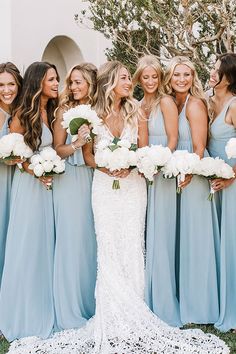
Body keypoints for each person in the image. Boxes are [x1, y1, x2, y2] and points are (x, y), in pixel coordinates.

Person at [7, 61, 228, 354]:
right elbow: (87, 157)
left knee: (132, 245)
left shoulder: (136, 110)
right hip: (103, 186)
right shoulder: (91, 115)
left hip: (133, 185)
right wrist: (107, 166)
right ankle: (110, 310)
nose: (130, 82)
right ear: (111, 81)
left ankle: (136, 305)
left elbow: (143, 147)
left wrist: (131, 164)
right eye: (125, 78)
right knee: (108, 247)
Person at [0, 62, 59, 341]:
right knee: (22, 246)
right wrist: (34, 169)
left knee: (41, 246)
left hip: (42, 187)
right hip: (26, 185)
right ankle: (17, 310)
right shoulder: (21, 115)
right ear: (39, 82)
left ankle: (43, 302)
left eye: (57, 78)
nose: (56, 83)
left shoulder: (47, 112)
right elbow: (18, 156)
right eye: (52, 79)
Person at [164, 56, 220, 325]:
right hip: (176, 175)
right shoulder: (170, 103)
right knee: (180, 238)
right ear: (170, 77)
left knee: (195, 240)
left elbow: (199, 146)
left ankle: (199, 305)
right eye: (177, 75)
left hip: (193, 175)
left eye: (186, 74)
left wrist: (188, 171)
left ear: (193, 77)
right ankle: (179, 296)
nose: (182, 79)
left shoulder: (195, 104)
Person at [133, 55, 181, 327]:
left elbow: (173, 139)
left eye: (154, 77)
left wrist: (160, 162)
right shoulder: (139, 105)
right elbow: (142, 142)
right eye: (145, 77)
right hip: (146, 173)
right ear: (139, 78)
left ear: (160, 78)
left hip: (164, 171)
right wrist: (144, 163)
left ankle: (166, 295)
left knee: (162, 230)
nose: (150, 82)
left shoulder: (166, 101)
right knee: (149, 229)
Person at [53, 63, 97, 331]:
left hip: (95, 179)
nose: (74, 87)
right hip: (70, 179)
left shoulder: (99, 110)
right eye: (71, 82)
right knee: (72, 241)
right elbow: (58, 149)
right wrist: (76, 144)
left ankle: (92, 302)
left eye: (79, 82)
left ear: (90, 84)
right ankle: (69, 306)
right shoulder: (63, 111)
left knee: (91, 240)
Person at [207, 53, 236, 332]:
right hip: (211, 177)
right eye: (213, 68)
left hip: (231, 180)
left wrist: (231, 177)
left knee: (231, 241)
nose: (214, 73)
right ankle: (214, 300)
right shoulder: (207, 99)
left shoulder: (234, 104)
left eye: (219, 70)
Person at [0, 62, 22, 287]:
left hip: (17, 181)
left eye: (11, 84)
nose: (6, 90)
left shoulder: (20, 113)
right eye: (1, 85)